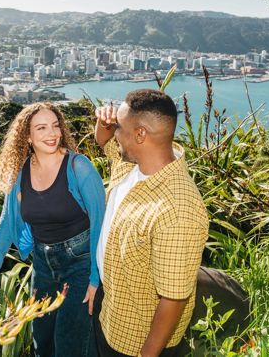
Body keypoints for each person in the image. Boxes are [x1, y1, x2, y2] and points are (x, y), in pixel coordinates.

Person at [0, 102, 106, 357]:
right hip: (43, 268)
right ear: (27, 136)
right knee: (42, 343)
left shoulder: (79, 168)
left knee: (70, 345)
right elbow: (6, 223)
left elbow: (100, 225)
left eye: (56, 126)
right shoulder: (21, 173)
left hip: (80, 267)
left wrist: (94, 280)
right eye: (42, 128)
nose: (52, 134)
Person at [93, 89, 209, 357]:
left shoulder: (177, 208)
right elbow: (104, 142)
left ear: (140, 134)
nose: (114, 133)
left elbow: (173, 297)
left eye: (118, 127)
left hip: (138, 342)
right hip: (111, 313)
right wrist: (105, 124)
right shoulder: (131, 166)